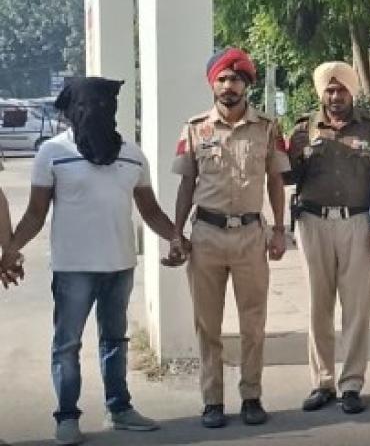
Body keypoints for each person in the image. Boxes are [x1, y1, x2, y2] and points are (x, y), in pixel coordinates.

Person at [0, 77, 184, 446]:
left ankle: (120, 409)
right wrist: (11, 249)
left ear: (112, 109)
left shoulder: (133, 154)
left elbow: (150, 211)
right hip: (73, 269)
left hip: (120, 265)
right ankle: (67, 417)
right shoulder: (52, 152)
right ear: (71, 111)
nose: (93, 112)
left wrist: (177, 238)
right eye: (83, 106)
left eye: (101, 105)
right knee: (67, 345)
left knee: (115, 340)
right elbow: (36, 213)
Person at [170, 48, 291, 429]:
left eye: (235, 79)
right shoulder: (194, 128)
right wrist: (176, 233)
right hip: (206, 236)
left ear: (246, 84)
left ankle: (251, 395)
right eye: (221, 79)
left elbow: (275, 181)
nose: (228, 86)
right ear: (213, 84)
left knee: (253, 323)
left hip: (250, 236)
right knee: (207, 325)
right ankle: (212, 400)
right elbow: (186, 184)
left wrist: (279, 230)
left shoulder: (267, 127)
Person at [289, 62, 370, 415]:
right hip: (313, 222)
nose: (335, 96)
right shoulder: (304, 127)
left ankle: (352, 384)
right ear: (321, 93)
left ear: (351, 91)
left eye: (341, 89)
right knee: (318, 305)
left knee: (356, 308)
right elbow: (286, 177)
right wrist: (296, 153)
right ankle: (322, 382)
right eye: (329, 90)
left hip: (356, 222)